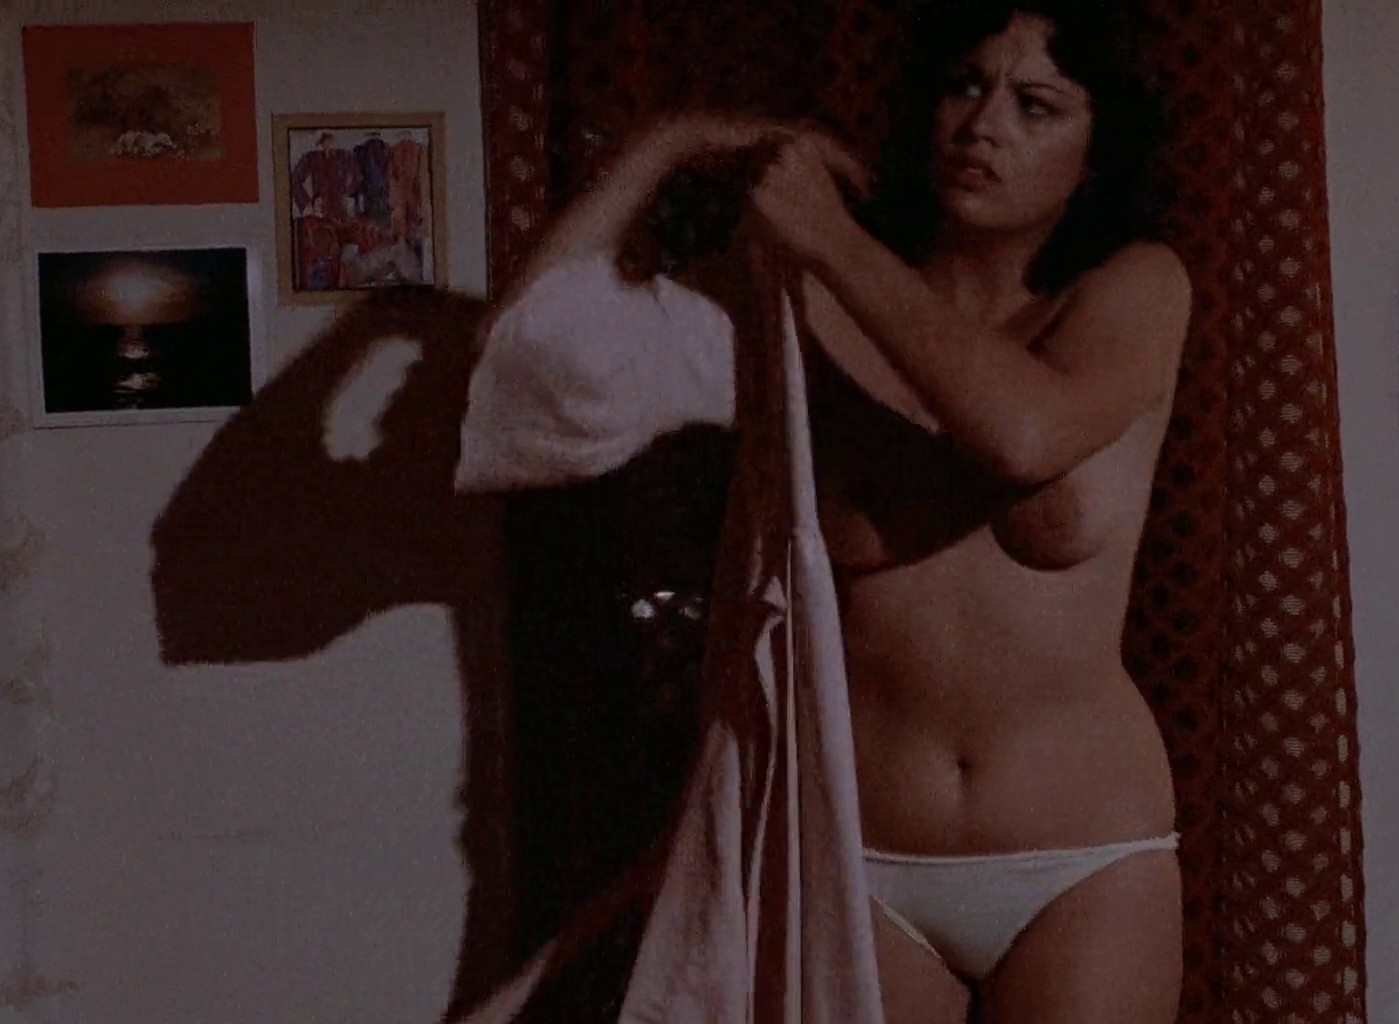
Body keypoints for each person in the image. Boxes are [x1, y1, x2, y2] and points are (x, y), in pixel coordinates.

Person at [493, 4, 1191, 1022]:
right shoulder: (800, 311)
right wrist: (674, 143)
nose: (984, 124)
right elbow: (540, 368)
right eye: (964, 85)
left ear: (1097, 151)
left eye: (1036, 105)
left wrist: (826, 237)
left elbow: (1024, 435)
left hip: (1083, 861)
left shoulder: (1132, 290)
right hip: (859, 861)